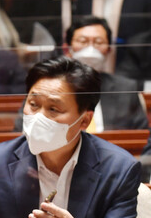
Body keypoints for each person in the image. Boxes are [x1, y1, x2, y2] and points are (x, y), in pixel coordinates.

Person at [0, 56, 141, 218]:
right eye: (33, 104)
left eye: (53, 109)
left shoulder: (119, 168)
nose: (38, 117)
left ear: (84, 120)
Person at [15, 16, 148, 132]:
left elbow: (141, 136)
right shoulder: (44, 86)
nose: (91, 48)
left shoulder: (125, 88)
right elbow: (21, 132)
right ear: (67, 49)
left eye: (98, 42)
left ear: (108, 50)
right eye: (83, 41)